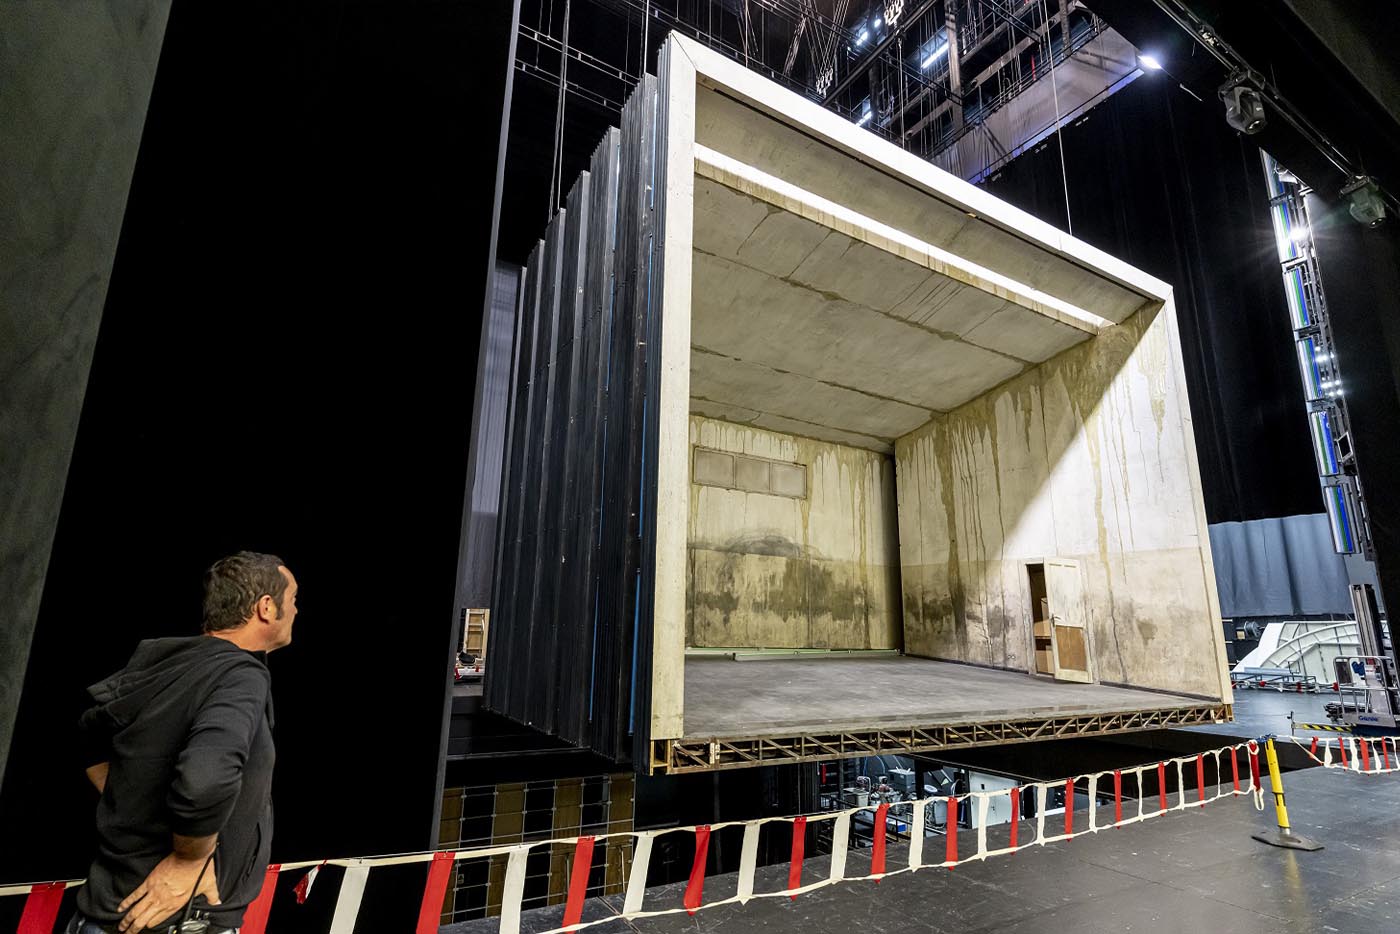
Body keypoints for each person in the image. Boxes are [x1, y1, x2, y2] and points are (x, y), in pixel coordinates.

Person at [70, 552, 298, 934]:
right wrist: (189, 859)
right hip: (172, 924)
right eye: (293, 600)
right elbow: (204, 781)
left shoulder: (171, 663)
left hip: (106, 916)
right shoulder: (240, 675)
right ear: (265, 607)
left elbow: (89, 735)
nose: (296, 610)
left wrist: (134, 802)